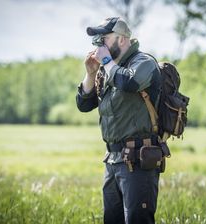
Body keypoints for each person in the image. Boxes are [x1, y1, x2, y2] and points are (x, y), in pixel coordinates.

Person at [76, 17, 162, 224]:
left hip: (138, 160)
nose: (98, 44)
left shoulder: (144, 63)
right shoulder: (108, 70)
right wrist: (90, 74)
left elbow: (129, 82)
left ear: (122, 39)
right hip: (113, 160)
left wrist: (106, 62)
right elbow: (83, 105)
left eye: (103, 38)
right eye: (97, 40)